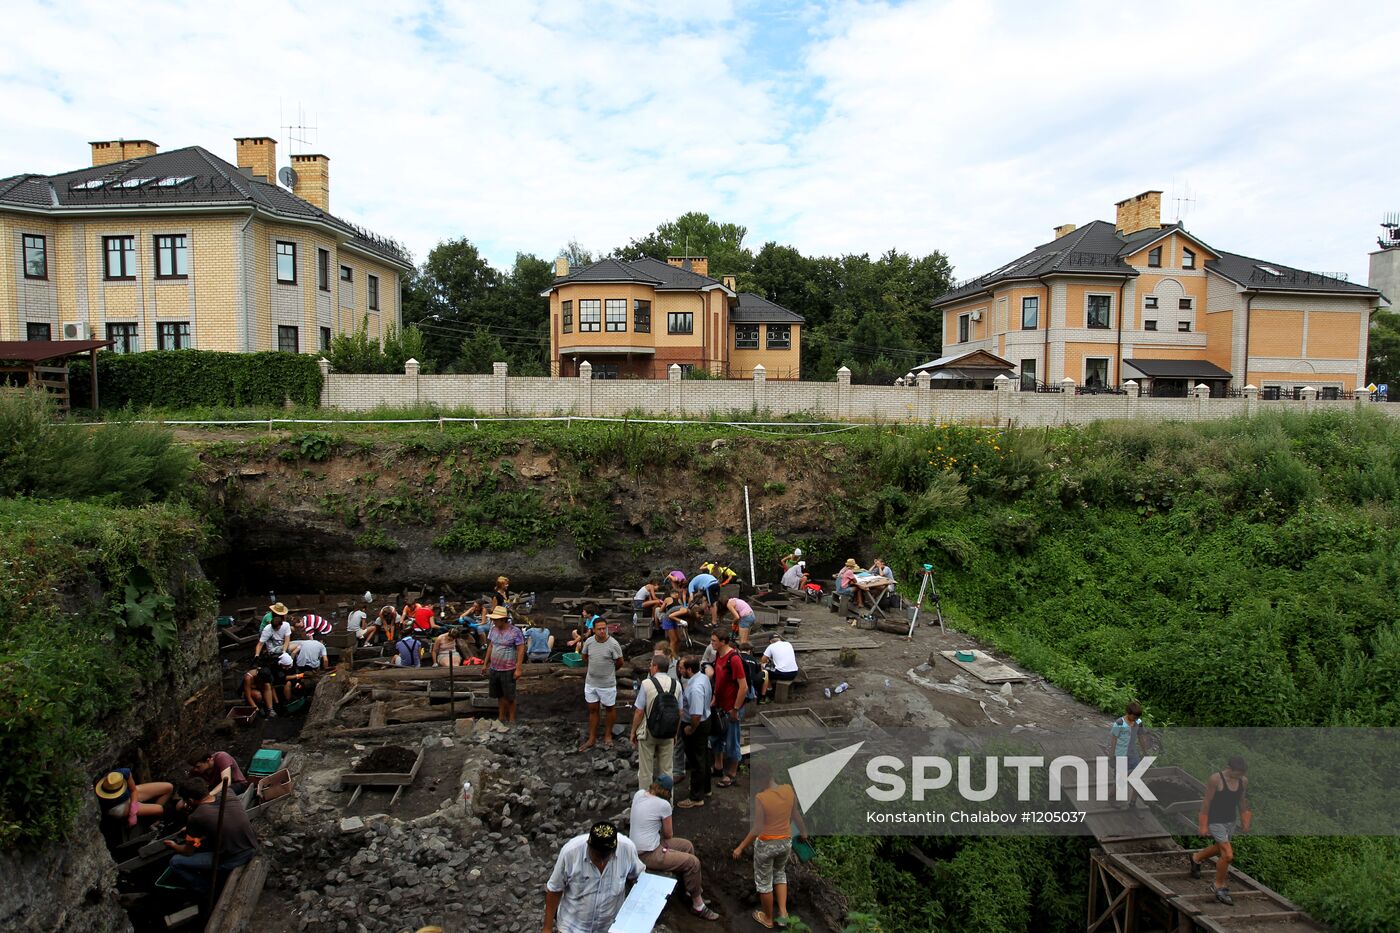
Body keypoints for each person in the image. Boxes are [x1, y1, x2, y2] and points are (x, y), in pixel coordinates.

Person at [629, 775, 720, 921]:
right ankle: (698, 906)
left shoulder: (639, 794)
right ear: (667, 792)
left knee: (687, 846)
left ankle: (690, 891)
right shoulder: (663, 805)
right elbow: (668, 834)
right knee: (693, 862)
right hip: (648, 854)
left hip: (643, 846)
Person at [732, 761, 808, 930]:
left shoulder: (762, 798)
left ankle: (767, 918)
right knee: (780, 873)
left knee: (764, 882)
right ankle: (783, 913)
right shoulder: (788, 789)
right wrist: (803, 832)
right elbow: (795, 814)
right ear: (772, 774)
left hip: (767, 844)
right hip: (785, 843)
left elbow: (758, 828)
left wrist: (740, 847)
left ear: (760, 780)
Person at [542, 821, 645, 933]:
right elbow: (554, 889)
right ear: (588, 845)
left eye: (605, 857)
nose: (601, 862)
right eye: (597, 856)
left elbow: (639, 879)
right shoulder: (570, 853)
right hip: (573, 927)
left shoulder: (627, 849)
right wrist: (547, 928)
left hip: (609, 927)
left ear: (614, 849)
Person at [164, 777, 259, 890]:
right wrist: (191, 832)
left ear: (190, 801)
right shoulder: (228, 793)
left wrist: (174, 846)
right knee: (202, 843)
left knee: (175, 862)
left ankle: (204, 887)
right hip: (252, 844)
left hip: (234, 858)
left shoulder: (195, 817)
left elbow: (188, 851)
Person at [1189, 756, 1252, 905]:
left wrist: (1245, 820)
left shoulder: (1243, 781)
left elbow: (1242, 800)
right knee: (1228, 855)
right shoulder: (1216, 779)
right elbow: (1207, 801)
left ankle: (1196, 857)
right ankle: (1218, 885)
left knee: (1219, 848)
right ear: (1229, 769)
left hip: (1230, 820)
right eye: (1238, 773)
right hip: (1215, 820)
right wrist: (1203, 825)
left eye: (1242, 774)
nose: (1240, 776)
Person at [630, 654, 681, 790]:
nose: (650, 668)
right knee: (667, 770)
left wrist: (633, 731)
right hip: (669, 732)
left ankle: (645, 804)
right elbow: (680, 712)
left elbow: (639, 711)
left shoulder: (647, 684)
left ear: (655, 667)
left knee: (646, 770)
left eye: (651, 665)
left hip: (648, 731)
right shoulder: (676, 685)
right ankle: (667, 804)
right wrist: (675, 733)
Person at [579, 618, 625, 751]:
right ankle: (592, 737)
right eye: (599, 629)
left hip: (607, 684)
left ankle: (608, 735)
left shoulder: (613, 644)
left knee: (610, 708)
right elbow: (585, 657)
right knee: (593, 709)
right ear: (593, 630)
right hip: (591, 682)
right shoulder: (589, 642)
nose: (602, 631)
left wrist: (609, 671)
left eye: (604, 628)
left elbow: (620, 662)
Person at [709, 629, 747, 788]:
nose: (711, 644)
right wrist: (715, 698)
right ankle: (718, 766)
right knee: (716, 737)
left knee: (732, 740)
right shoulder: (718, 655)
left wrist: (735, 709)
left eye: (714, 641)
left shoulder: (734, 659)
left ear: (723, 641)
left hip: (732, 707)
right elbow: (719, 679)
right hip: (719, 705)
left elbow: (743, 687)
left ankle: (731, 773)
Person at [677, 655, 713, 808]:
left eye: (681, 668)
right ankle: (705, 788)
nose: (679, 671)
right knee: (703, 756)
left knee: (696, 760)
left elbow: (696, 714)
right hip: (705, 721)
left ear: (689, 670)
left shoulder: (695, 688)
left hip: (697, 725)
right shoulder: (702, 677)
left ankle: (696, 797)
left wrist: (690, 728)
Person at [482, 605, 525, 724]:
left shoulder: (514, 631)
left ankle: (512, 719)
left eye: (496, 620)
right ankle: (501, 717)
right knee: (499, 695)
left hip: (508, 668)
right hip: (495, 667)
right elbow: (491, 646)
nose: (494, 622)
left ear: (503, 619)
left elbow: (521, 648)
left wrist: (518, 668)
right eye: (493, 619)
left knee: (510, 696)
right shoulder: (493, 630)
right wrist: (485, 663)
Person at [1107, 701, 1149, 807]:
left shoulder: (1138, 723)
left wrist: (1145, 753)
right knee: (1120, 781)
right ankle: (1111, 799)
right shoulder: (1119, 723)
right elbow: (1113, 740)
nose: (1134, 719)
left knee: (1138, 778)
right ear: (1127, 712)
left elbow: (1141, 738)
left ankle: (1133, 803)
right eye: (1133, 717)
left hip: (1133, 755)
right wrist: (1111, 757)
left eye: (1136, 717)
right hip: (1120, 755)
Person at [94, 770, 173, 824]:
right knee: (160, 809)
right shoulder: (101, 796)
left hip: (128, 794)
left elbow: (133, 789)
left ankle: (151, 816)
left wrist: (133, 812)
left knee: (168, 787)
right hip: (118, 806)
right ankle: (151, 821)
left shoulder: (121, 774)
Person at [760, 634, 799, 702]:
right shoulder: (788, 643)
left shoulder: (771, 646)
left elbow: (763, 660)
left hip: (782, 674)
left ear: (770, 641)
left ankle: (769, 690)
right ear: (779, 639)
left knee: (763, 667)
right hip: (794, 672)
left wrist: (768, 660)